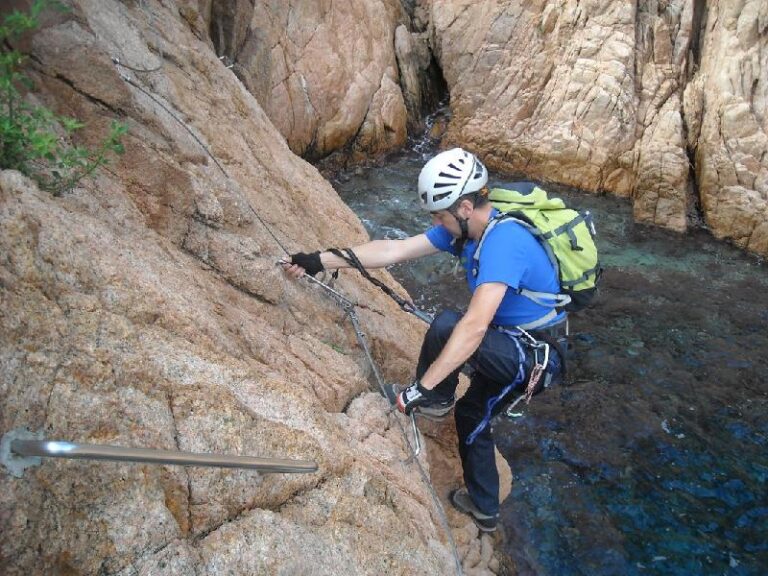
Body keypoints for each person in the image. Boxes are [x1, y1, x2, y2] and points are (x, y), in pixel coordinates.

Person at [283, 147, 565, 533]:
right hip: (511, 340)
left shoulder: (503, 243)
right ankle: (480, 498)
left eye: (439, 215)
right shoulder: (468, 233)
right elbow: (394, 249)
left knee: (455, 334)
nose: (436, 222)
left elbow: (475, 327)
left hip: (534, 355)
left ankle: (438, 408)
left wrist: (419, 388)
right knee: (467, 400)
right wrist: (320, 260)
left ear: (464, 207)